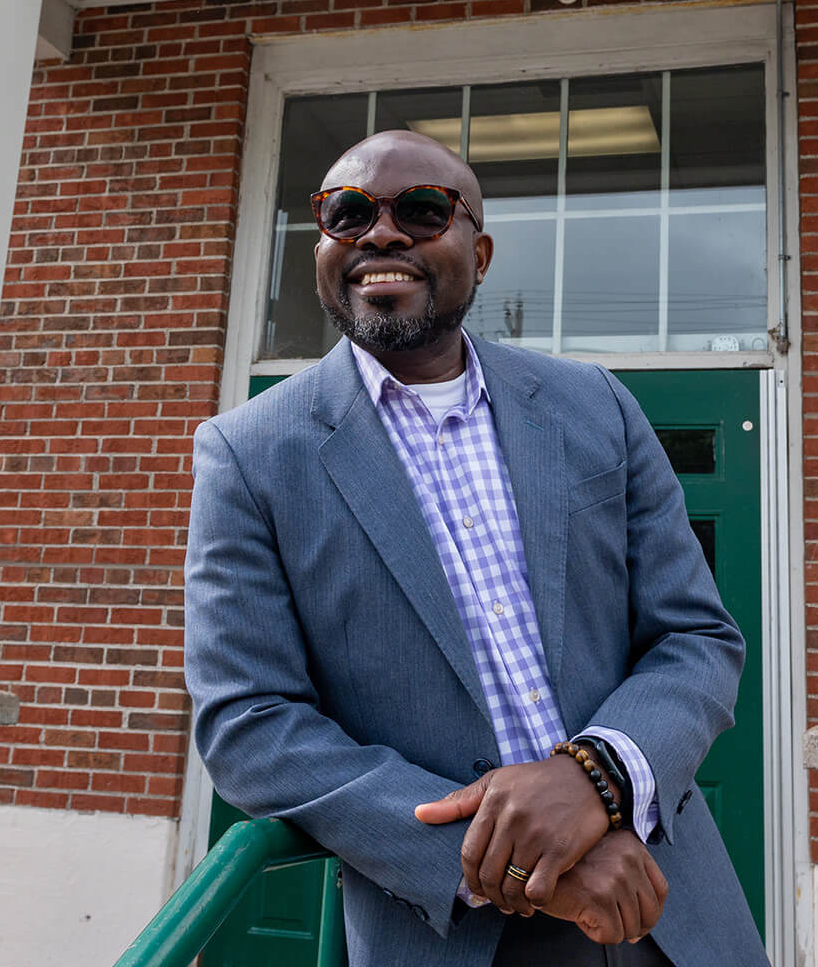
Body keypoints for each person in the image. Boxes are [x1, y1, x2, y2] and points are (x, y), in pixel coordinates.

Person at [184, 130, 769, 966]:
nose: (380, 234)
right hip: (444, 927)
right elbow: (249, 721)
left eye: (421, 211)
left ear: (480, 251)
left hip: (664, 904)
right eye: (347, 214)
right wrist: (506, 858)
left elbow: (697, 637)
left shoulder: (595, 406)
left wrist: (594, 778)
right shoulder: (249, 453)